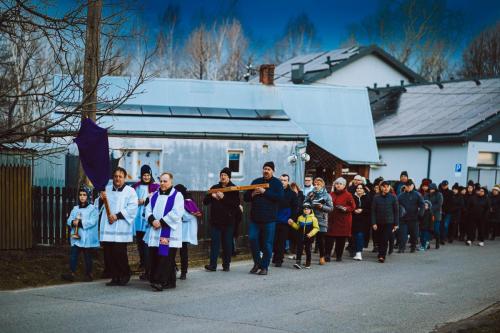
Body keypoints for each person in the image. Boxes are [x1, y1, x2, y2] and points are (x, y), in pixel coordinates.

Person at [97, 167, 138, 286]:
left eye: (120, 176)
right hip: (109, 226)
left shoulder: (130, 191)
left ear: (124, 178)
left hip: (121, 226)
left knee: (119, 253)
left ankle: (124, 274)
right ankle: (114, 277)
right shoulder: (106, 190)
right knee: (109, 254)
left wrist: (117, 216)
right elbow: (97, 206)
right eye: (115, 176)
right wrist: (100, 199)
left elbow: (132, 208)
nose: (117, 179)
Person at [143, 172, 184, 291]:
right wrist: (152, 220)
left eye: (165, 181)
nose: (162, 183)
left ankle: (160, 281)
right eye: (161, 181)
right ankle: (170, 281)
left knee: (165, 257)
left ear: (171, 182)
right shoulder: (155, 195)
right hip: (155, 231)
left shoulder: (177, 195)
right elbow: (148, 209)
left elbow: (177, 212)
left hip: (168, 232)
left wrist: (161, 222)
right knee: (157, 255)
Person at [244, 161, 284, 276]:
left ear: (273, 171)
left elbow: (280, 198)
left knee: (267, 244)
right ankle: (257, 263)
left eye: (269, 169)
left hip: (270, 219)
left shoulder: (277, 183)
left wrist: (264, 192)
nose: (266, 171)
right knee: (252, 239)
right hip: (255, 218)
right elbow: (246, 197)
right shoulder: (256, 181)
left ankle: (264, 267)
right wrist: (252, 194)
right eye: (265, 168)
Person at [204, 168, 241, 272]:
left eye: (225, 175)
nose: (223, 177)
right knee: (215, 243)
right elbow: (205, 201)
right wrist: (211, 196)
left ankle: (226, 265)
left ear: (229, 177)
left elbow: (235, 204)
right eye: (221, 175)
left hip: (228, 221)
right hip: (216, 221)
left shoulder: (233, 188)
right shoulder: (215, 187)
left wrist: (224, 197)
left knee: (227, 243)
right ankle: (213, 265)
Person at [61, 186, 99, 282]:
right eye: (80, 195)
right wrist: (73, 222)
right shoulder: (75, 208)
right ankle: (71, 273)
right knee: (73, 255)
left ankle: (89, 274)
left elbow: (93, 221)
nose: (82, 197)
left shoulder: (92, 209)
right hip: (77, 237)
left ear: (88, 196)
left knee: (87, 257)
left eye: (84, 195)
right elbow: (69, 219)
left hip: (87, 237)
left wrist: (81, 222)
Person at [132, 165, 159, 278]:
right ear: (141, 175)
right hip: (138, 219)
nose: (146, 177)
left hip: (148, 219)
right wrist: (136, 201)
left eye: (148, 175)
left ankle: (149, 270)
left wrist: (145, 200)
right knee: (140, 244)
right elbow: (131, 198)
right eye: (144, 175)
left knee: (147, 245)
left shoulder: (155, 187)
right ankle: (143, 265)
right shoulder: (136, 186)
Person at [325, 177, 355, 262]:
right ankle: (327, 255)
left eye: (340, 184)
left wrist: (344, 208)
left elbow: (353, 207)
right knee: (329, 238)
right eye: (337, 183)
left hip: (343, 221)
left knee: (340, 239)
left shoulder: (348, 195)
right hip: (332, 220)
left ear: (344, 185)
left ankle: (339, 256)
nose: (338, 185)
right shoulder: (331, 194)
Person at [174, 184, 200, 280]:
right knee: (171, 250)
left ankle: (184, 272)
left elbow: (190, 215)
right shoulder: (178, 200)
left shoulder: (188, 201)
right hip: (176, 229)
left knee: (183, 251)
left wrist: (178, 216)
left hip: (184, 231)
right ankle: (175, 267)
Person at [304, 177, 333, 264]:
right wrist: (308, 204)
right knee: (309, 239)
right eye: (315, 184)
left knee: (320, 240)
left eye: (318, 185)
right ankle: (308, 259)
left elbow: (331, 208)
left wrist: (322, 207)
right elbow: (304, 203)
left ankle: (321, 257)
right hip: (311, 219)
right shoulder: (310, 193)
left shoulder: (327, 195)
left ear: (322, 185)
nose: (316, 186)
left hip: (321, 220)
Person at [273, 174, 298, 267]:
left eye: (285, 180)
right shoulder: (274, 191)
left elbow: (295, 207)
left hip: (285, 220)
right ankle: (275, 257)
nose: (282, 182)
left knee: (281, 241)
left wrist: (292, 218)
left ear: (288, 182)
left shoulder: (292, 194)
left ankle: (279, 260)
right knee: (274, 240)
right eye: (281, 180)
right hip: (274, 219)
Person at [371, 181, 399, 263]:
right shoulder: (376, 197)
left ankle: (382, 255)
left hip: (389, 222)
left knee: (384, 239)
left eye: (387, 186)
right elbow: (373, 211)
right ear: (381, 188)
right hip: (378, 222)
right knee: (379, 239)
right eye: (384, 186)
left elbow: (396, 211)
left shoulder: (393, 197)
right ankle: (380, 252)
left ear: (390, 187)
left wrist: (396, 224)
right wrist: (374, 223)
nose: (386, 188)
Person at [397, 179, 424, 253]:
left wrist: (420, 214)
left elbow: (422, 205)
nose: (408, 187)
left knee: (414, 234)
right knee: (402, 234)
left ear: (413, 186)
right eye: (407, 186)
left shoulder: (417, 194)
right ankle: (401, 248)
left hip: (414, 218)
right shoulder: (401, 195)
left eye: (410, 186)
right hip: (403, 219)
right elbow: (396, 205)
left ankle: (413, 247)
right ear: (405, 186)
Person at [289, 203, 319, 269]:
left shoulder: (313, 218)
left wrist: (310, 234)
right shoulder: (300, 218)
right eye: (304, 209)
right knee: (299, 249)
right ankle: (298, 263)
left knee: (307, 249)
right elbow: (297, 227)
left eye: (308, 209)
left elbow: (316, 228)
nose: (306, 210)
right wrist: (292, 224)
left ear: (311, 210)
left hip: (309, 237)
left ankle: (308, 263)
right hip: (300, 236)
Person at [352, 184, 371, 261]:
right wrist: (354, 210)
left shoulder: (367, 198)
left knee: (360, 235)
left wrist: (362, 210)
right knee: (355, 236)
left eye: (361, 188)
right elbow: (350, 207)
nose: (359, 189)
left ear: (364, 190)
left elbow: (370, 209)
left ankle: (358, 252)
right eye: (358, 188)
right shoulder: (352, 197)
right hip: (354, 219)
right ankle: (356, 251)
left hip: (364, 220)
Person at [424, 183, 443, 249]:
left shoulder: (439, 195)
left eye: (432, 189)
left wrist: (430, 208)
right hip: (428, 215)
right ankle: (427, 243)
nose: (431, 190)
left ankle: (437, 241)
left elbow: (439, 204)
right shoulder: (426, 195)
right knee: (428, 229)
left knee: (436, 229)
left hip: (436, 215)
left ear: (435, 189)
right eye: (430, 188)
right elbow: (425, 202)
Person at [439, 180, 454, 245]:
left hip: (448, 212)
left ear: (447, 185)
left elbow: (451, 203)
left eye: (445, 185)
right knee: (440, 225)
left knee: (445, 225)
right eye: (443, 185)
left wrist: (448, 210)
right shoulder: (439, 192)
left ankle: (443, 238)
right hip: (440, 211)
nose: (444, 186)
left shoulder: (450, 192)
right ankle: (440, 238)